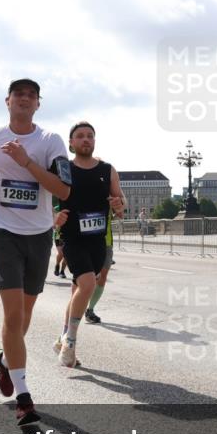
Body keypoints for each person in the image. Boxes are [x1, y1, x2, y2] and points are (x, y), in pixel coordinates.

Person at [0, 78, 71, 425]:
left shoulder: (50, 141)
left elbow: (63, 190)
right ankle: (24, 399)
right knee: (13, 317)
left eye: (31, 95)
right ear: (7, 101)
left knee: (24, 317)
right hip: (3, 232)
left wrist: (27, 162)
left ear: (38, 104)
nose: (25, 99)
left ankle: (3, 358)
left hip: (39, 234)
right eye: (19, 94)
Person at [53, 122, 125, 367]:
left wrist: (118, 205)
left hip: (97, 241)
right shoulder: (64, 169)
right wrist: (54, 217)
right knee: (87, 284)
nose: (86, 139)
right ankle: (70, 343)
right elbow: (49, 197)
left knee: (78, 292)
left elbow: (120, 203)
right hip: (72, 238)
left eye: (90, 136)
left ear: (94, 141)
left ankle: (62, 336)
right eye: (80, 136)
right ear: (71, 142)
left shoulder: (107, 169)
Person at [85, 208, 115, 323]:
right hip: (88, 241)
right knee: (87, 277)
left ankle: (90, 310)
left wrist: (119, 204)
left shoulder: (110, 195)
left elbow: (120, 212)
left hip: (107, 242)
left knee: (102, 277)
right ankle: (76, 309)